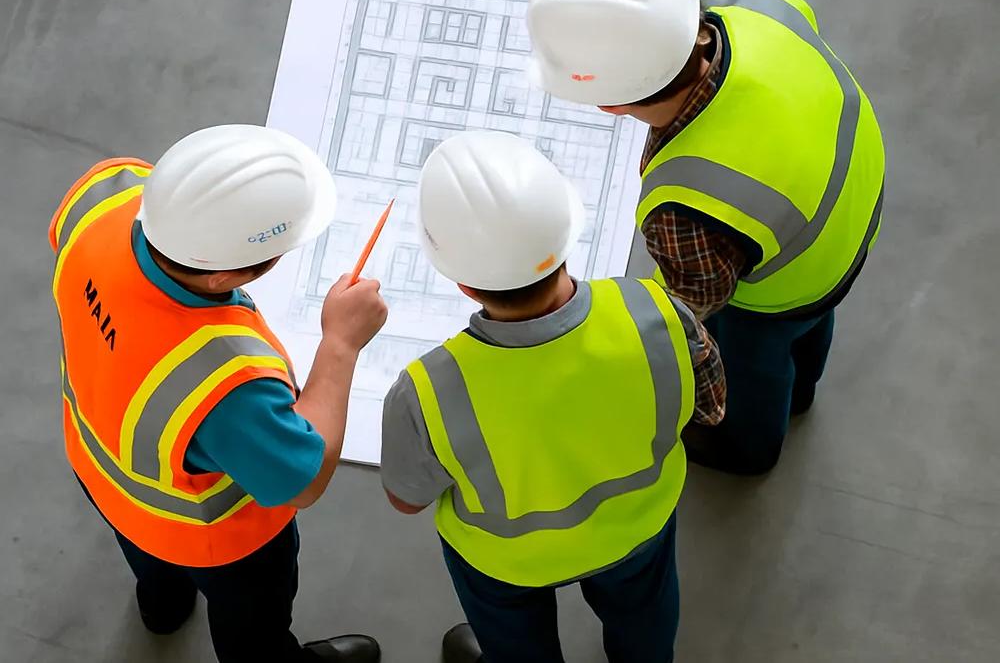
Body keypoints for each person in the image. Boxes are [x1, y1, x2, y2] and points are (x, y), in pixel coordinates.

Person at [526, 0, 886, 475]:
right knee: (810, 330)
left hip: (790, 284)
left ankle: (750, 447)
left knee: (754, 361)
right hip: (850, 196)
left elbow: (696, 306)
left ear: (609, 105)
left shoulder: (688, 202)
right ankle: (805, 388)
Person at [380, 131, 724, 663]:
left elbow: (406, 499)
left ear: (463, 284)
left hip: (508, 563)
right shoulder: (657, 312)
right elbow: (708, 405)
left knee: (516, 647)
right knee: (645, 619)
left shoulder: (427, 389)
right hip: (637, 529)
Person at [48, 124, 387, 662]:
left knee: (151, 564)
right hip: (214, 541)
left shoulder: (105, 193)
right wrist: (341, 345)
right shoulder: (225, 381)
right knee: (252, 631)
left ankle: (162, 609)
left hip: (102, 475)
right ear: (221, 277)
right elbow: (303, 478)